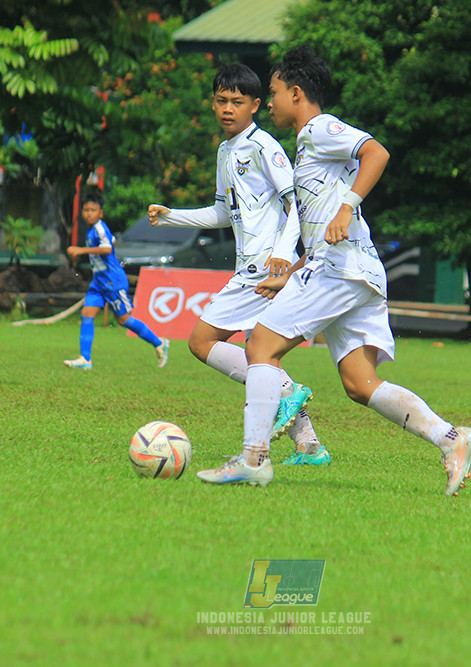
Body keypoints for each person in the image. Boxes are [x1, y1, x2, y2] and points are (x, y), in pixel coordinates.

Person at [196, 46, 471, 493]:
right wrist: (292, 272)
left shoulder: (319, 129)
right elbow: (320, 230)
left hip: (339, 270)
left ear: (296, 93)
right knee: (360, 384)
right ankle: (451, 439)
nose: (269, 103)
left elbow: (377, 153)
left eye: (274, 92)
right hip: (353, 270)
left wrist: (348, 207)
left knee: (260, 346)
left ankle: (253, 458)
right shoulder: (307, 144)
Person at [148, 63, 328, 464]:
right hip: (251, 266)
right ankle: (310, 445)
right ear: (213, 104)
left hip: (265, 268)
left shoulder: (264, 147)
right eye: (221, 100)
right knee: (259, 350)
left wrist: (282, 253)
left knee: (201, 342)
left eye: (238, 101)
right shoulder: (225, 151)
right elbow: (221, 212)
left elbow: (295, 204)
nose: (228, 108)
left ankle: (284, 392)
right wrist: (172, 215)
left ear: (255, 106)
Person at [64, 190, 170, 370]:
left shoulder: (99, 228)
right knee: (87, 314)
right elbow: (111, 241)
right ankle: (85, 359)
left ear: (100, 213)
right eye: (86, 210)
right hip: (99, 280)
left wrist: (80, 250)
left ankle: (159, 342)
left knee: (124, 320)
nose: (89, 214)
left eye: (93, 210)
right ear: (82, 212)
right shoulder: (93, 229)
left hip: (112, 280)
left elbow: (106, 248)